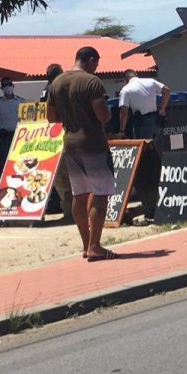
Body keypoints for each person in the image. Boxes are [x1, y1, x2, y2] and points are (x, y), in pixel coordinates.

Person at [46, 47, 119, 261]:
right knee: (100, 193)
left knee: (79, 194)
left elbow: (51, 117)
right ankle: (96, 246)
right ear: (89, 60)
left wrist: (72, 116)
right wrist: (104, 113)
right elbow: (103, 115)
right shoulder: (91, 82)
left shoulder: (57, 83)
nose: (97, 67)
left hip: (70, 144)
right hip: (93, 143)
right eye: (96, 63)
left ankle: (86, 245)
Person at [40, 63, 72, 222]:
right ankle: (70, 211)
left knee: (57, 178)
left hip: (45, 137)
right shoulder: (58, 89)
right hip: (60, 134)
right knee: (66, 177)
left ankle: (67, 210)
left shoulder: (44, 90)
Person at [118, 70, 170, 141]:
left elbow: (124, 112)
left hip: (142, 123)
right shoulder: (150, 81)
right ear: (136, 74)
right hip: (156, 121)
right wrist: (162, 109)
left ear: (125, 80)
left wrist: (121, 131)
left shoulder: (125, 90)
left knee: (144, 150)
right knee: (156, 147)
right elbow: (166, 90)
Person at [0, 77, 27, 172]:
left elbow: (28, 119)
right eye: (5, 85)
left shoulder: (22, 102)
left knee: (21, 162)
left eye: (9, 84)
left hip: (20, 136)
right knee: (4, 164)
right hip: (5, 137)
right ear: (1, 88)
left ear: (13, 86)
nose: (8, 87)